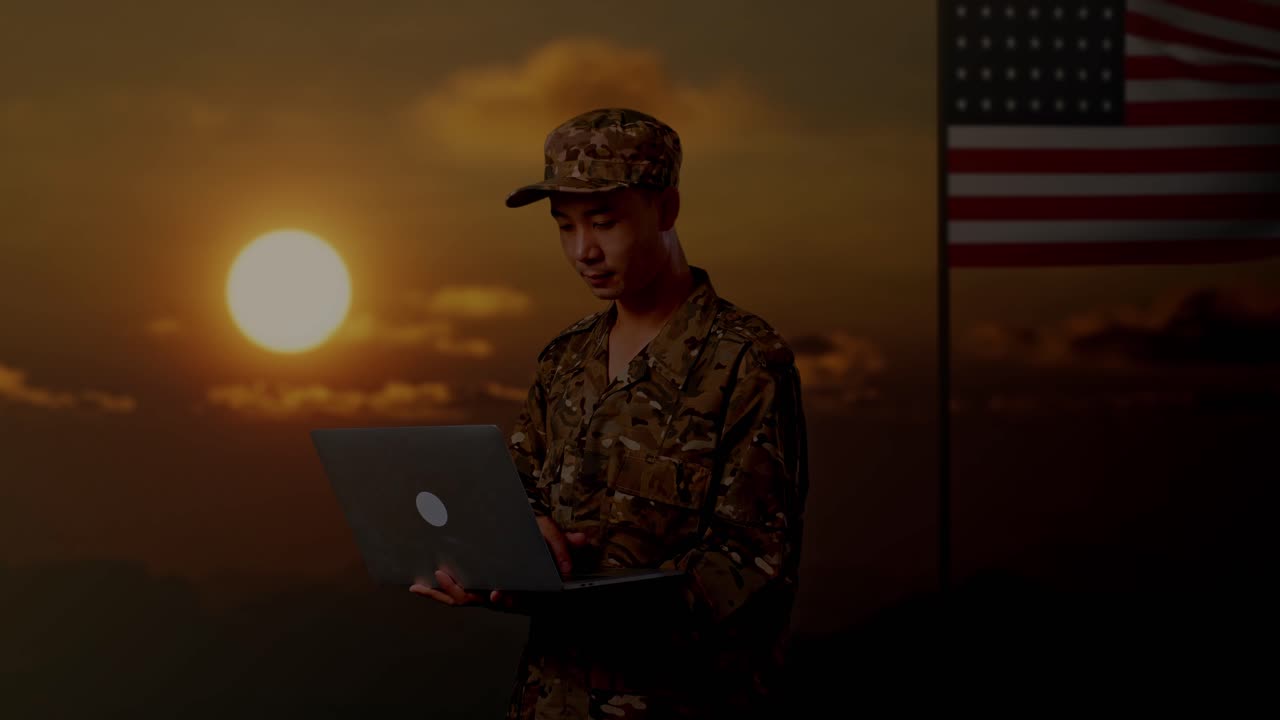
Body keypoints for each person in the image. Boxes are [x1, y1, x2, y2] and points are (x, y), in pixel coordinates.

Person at [410, 107, 809, 719]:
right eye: (564, 227)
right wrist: (500, 552)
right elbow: (514, 492)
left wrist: (571, 595)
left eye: (603, 223)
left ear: (667, 209)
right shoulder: (565, 361)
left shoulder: (746, 362)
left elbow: (753, 573)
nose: (583, 252)